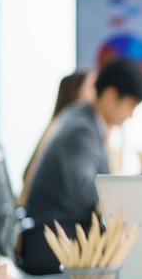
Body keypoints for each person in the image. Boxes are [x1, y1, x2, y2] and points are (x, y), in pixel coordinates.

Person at [19, 58, 142, 275]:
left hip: (57, 235)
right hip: (57, 241)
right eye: (131, 105)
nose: (130, 115)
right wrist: (129, 194)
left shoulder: (82, 119)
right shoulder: (81, 129)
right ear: (111, 95)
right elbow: (83, 191)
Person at [17, 70, 97, 209]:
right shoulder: (72, 130)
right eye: (92, 88)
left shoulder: (58, 124)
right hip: (50, 218)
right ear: (78, 94)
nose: (96, 94)